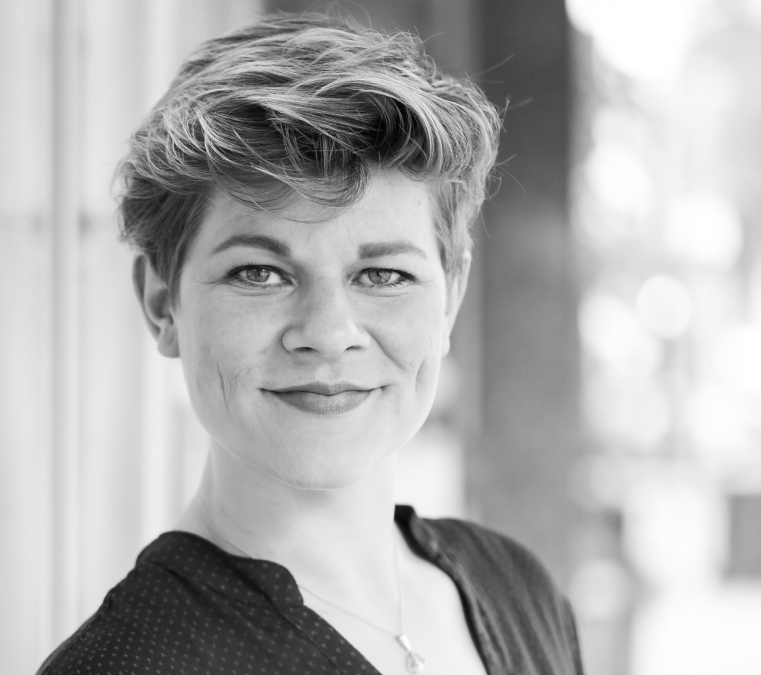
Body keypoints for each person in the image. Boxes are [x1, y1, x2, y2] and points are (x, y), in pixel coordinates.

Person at [39, 13, 583, 675]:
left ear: (451, 297)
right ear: (162, 303)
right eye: (259, 273)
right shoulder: (128, 665)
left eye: (383, 275)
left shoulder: (520, 592)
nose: (327, 334)